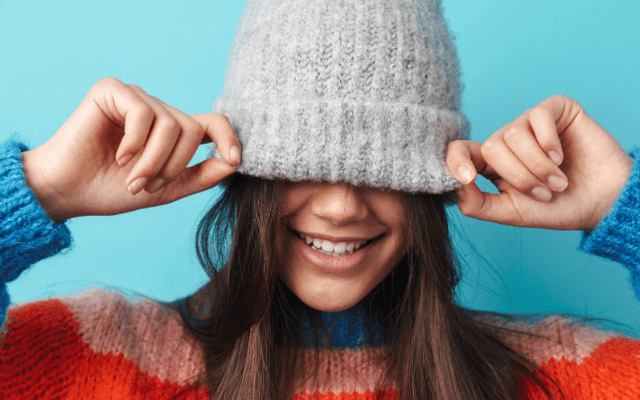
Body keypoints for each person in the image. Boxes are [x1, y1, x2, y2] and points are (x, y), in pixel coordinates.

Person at [1, 0, 639, 399]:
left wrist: (623, 202)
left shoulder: (560, 375)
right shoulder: (89, 355)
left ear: (433, 181)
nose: (340, 207)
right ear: (246, 171)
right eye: (301, 165)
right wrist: (39, 191)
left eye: (381, 167)